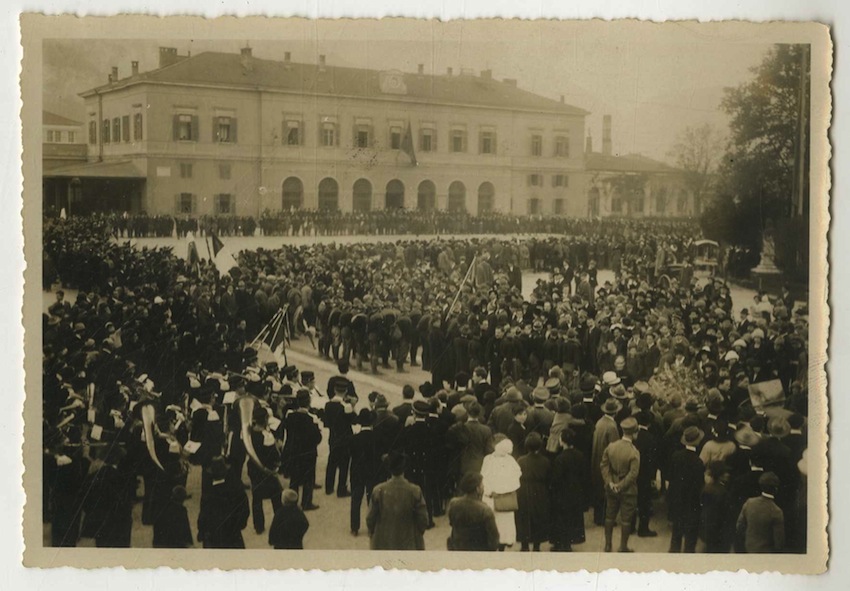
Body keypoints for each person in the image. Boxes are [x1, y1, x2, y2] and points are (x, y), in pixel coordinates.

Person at [366, 451, 429, 550]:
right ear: (404, 468)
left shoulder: (378, 490)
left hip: (383, 543)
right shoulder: (414, 491)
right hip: (409, 544)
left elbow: (370, 518)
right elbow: (423, 519)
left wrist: (372, 533)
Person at [600, 417, 640, 553]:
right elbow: (633, 474)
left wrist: (609, 482)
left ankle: (608, 545)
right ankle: (623, 546)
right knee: (626, 519)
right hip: (627, 490)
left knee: (609, 516)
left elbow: (604, 465)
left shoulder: (611, 447)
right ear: (635, 432)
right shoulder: (634, 452)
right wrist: (621, 485)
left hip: (611, 486)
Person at [480, 434, 522, 550]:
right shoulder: (510, 461)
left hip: (493, 497)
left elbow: (483, 477)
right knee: (503, 524)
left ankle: (497, 544)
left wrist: (490, 491)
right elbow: (516, 480)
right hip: (503, 499)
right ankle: (502, 544)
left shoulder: (489, 459)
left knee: (496, 523)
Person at [282, 390, 322, 511]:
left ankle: (292, 501)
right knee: (308, 479)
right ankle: (306, 502)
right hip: (308, 453)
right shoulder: (312, 418)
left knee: (294, 479)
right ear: (308, 402)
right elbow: (317, 438)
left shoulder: (290, 416)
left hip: (294, 451)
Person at [197, 456, 250, 549]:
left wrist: (201, 532)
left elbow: (203, 515)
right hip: (233, 534)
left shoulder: (208, 492)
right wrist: (240, 524)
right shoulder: (235, 489)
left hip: (213, 537)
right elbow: (244, 508)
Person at [668, 426, 706, 553]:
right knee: (690, 534)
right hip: (692, 501)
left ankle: (674, 553)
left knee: (676, 531)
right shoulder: (698, 462)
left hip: (677, 498)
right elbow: (700, 485)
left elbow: (671, 476)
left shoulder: (675, 456)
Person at [550, 428, 588, 551]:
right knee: (573, 517)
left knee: (561, 518)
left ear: (562, 441)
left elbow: (556, 478)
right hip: (576, 491)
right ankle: (570, 542)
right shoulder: (580, 455)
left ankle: (562, 543)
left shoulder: (560, 458)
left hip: (562, 492)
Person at [515, 432, 551, 552]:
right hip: (540, 490)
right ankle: (537, 544)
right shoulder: (545, 461)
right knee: (538, 516)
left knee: (523, 516)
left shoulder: (521, 460)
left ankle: (524, 544)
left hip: (524, 490)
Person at [446, 472, 500, 551]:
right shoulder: (485, 510)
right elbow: (494, 541)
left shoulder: (453, 504)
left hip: (458, 550)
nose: (484, 487)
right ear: (477, 489)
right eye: (482, 485)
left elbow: (452, 523)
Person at [736, 472, 785, 553]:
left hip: (749, 548)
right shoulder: (777, 511)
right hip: (766, 552)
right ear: (776, 489)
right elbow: (779, 543)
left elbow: (739, 526)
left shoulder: (749, 503)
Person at [591, 398, 622, 525]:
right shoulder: (612, 426)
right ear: (615, 412)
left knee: (599, 488)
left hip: (596, 457)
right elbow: (615, 448)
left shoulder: (599, 422)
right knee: (606, 490)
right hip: (606, 460)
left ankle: (598, 517)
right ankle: (605, 518)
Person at [350, 408, 380, 535]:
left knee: (356, 499)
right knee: (371, 499)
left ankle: (354, 527)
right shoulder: (376, 438)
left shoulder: (354, 438)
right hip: (371, 471)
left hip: (357, 471)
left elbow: (350, 454)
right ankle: (372, 526)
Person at [701, 460, 732, 553]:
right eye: (725, 473)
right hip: (719, 530)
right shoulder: (722, 492)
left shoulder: (707, 488)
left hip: (707, 526)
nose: (728, 475)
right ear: (719, 474)